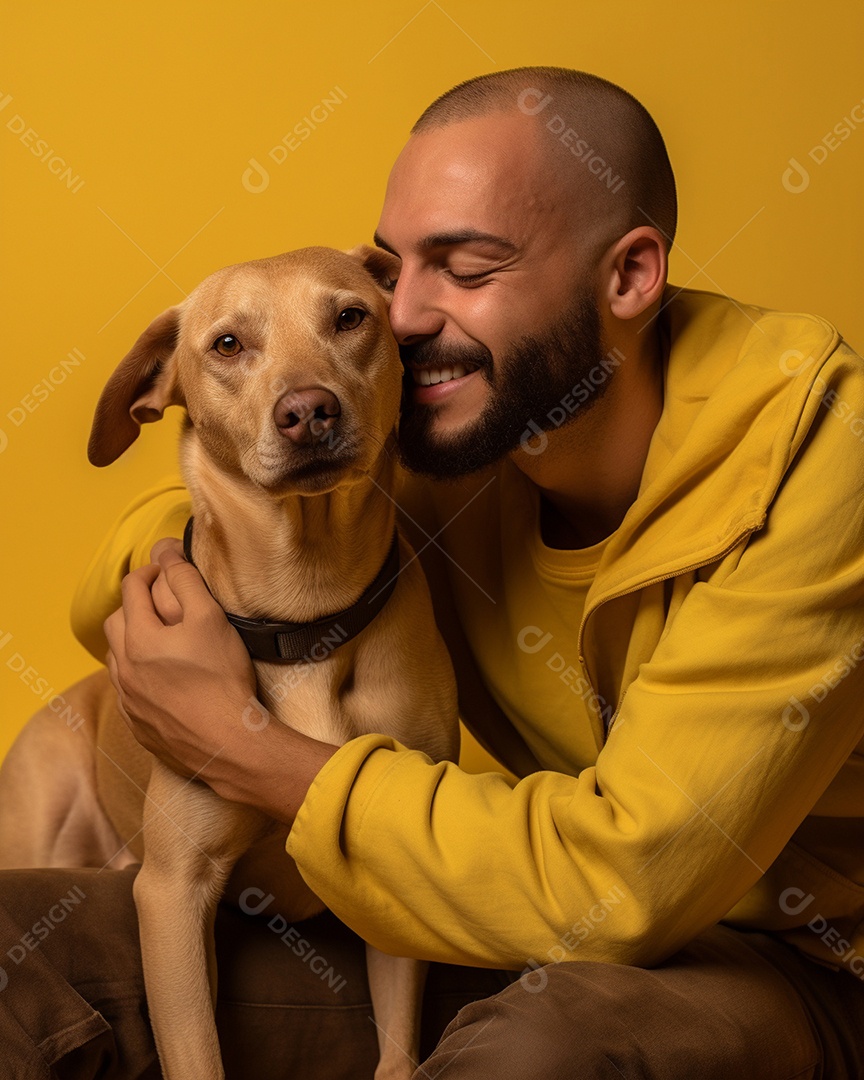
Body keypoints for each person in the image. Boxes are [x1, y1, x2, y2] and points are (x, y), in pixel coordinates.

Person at [4, 65, 864, 1078]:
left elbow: (627, 882)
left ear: (630, 276)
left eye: (465, 267)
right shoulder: (444, 420)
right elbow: (181, 517)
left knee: (539, 1051)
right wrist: (184, 579)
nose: (402, 315)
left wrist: (242, 745)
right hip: (489, 908)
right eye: (395, 267)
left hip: (793, 961)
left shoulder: (821, 458)